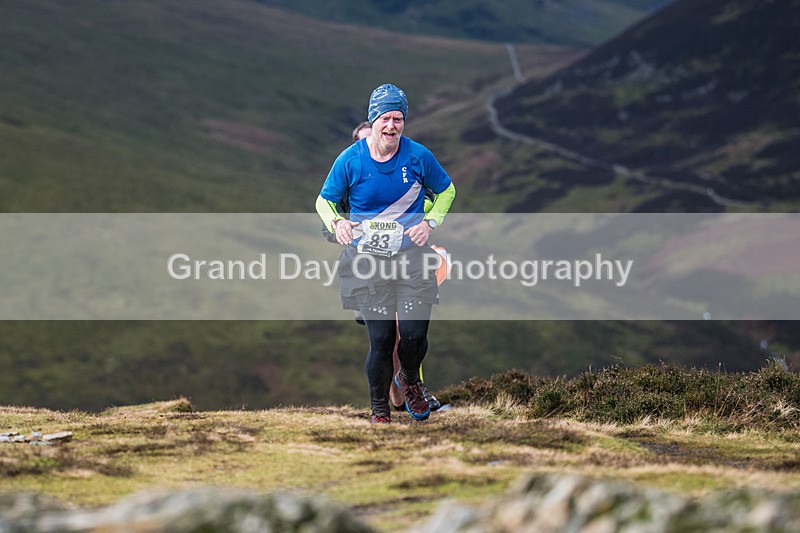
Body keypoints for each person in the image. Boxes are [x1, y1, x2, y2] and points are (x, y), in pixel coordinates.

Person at [316, 83, 456, 423]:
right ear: (373, 119)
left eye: (398, 118)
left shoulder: (418, 155)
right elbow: (324, 200)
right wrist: (336, 224)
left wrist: (430, 223)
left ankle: (408, 380)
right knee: (381, 340)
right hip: (368, 263)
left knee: (413, 336)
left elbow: (446, 189)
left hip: (411, 259)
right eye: (385, 118)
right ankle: (381, 408)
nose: (391, 125)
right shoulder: (350, 159)